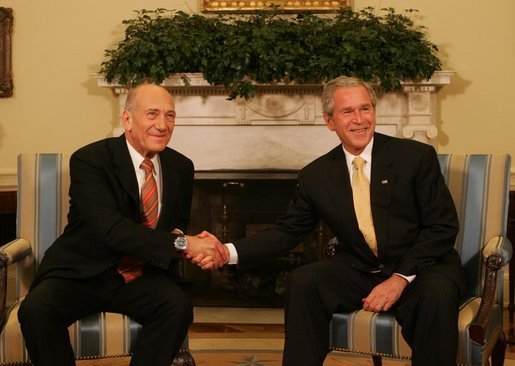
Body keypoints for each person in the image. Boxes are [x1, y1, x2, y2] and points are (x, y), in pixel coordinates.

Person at [194, 76, 466, 366]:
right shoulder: (316, 175)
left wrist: (399, 279)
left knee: (436, 295)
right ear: (329, 121)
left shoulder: (415, 157)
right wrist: (227, 251)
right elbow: (288, 231)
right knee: (303, 282)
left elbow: (442, 226)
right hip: (361, 269)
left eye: (365, 109)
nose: (359, 120)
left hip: (422, 267)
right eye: (348, 112)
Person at [18, 83, 226, 366]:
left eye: (170, 116)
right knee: (36, 310)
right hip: (81, 271)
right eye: (152, 114)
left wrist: (190, 243)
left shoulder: (181, 166)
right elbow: (110, 230)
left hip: (141, 275)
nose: (163, 125)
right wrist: (185, 243)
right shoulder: (91, 160)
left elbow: (174, 225)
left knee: (177, 307)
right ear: (127, 119)